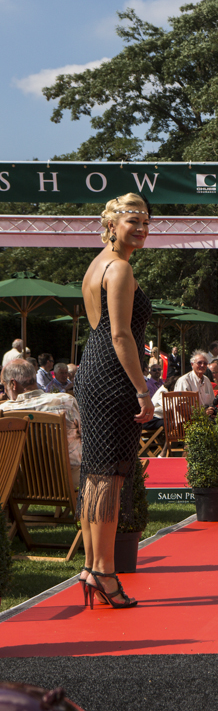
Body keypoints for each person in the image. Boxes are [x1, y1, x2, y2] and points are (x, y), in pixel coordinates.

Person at [75, 192, 154, 609]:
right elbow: (121, 336)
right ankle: (104, 572)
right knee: (110, 477)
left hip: (94, 371)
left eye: (145, 222)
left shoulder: (97, 264)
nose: (141, 228)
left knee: (96, 475)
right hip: (112, 376)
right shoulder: (120, 268)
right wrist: (143, 389)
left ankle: (92, 567)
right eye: (132, 221)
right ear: (112, 224)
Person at [2, 358, 83, 490]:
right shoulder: (65, 401)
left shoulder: (4, 411)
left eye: (4, 386)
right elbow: (87, 436)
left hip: (23, 485)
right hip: (67, 482)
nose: (5, 391)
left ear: (13, 384)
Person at [176, 350, 217, 415]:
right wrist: (202, 413)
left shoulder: (207, 380)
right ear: (192, 364)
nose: (202, 365)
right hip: (188, 419)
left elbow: (211, 402)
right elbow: (181, 406)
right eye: (199, 363)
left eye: (205, 363)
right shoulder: (184, 380)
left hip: (205, 418)